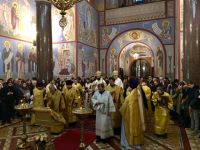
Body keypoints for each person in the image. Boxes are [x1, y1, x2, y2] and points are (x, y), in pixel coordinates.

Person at [120, 79, 145, 149]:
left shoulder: (132, 95)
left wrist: (122, 96)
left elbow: (126, 104)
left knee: (129, 128)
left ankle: (130, 142)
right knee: (136, 127)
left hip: (130, 115)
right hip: (137, 114)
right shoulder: (138, 91)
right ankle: (136, 142)